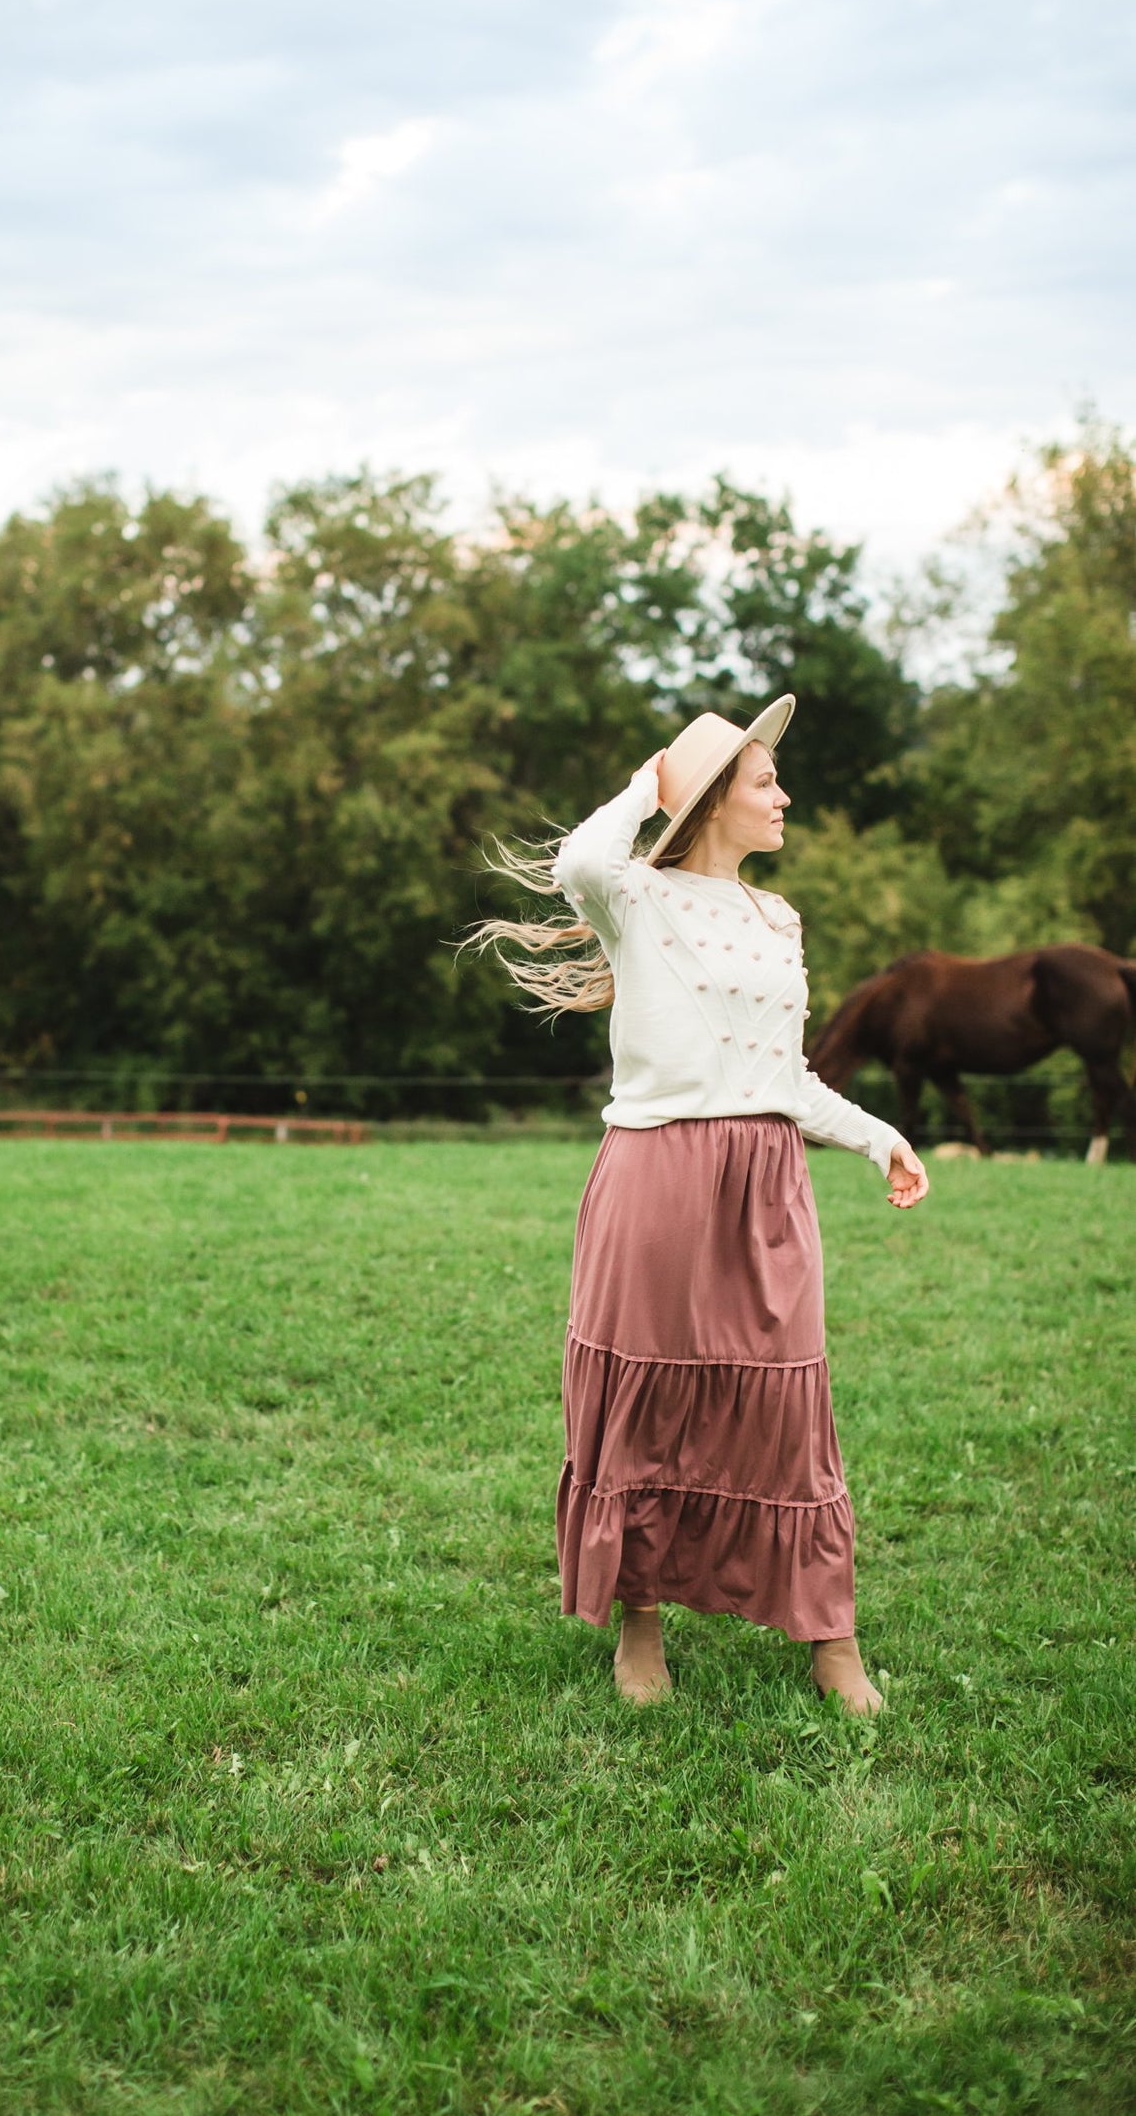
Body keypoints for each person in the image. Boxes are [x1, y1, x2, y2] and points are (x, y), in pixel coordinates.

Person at [467, 696, 929, 1715]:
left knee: (786, 1402)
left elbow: (785, 1078)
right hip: (656, 1172)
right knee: (650, 1401)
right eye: (765, 780)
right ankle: (639, 1620)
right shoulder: (634, 898)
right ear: (715, 796)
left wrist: (874, 1133)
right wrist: (649, 784)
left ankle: (829, 1638)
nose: (784, 796)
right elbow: (578, 865)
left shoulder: (778, 919)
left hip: (764, 1179)